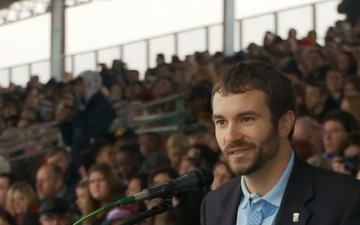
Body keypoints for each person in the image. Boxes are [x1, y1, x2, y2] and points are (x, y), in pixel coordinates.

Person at [201, 61, 360, 225]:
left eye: (246, 119)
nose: (231, 136)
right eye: (221, 122)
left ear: (285, 123)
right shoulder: (213, 204)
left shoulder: (346, 200)